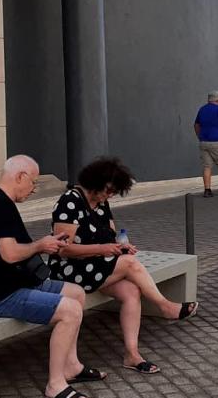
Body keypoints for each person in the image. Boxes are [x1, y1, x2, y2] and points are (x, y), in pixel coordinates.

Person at [0, 155, 101, 398]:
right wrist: (41, 245)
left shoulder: (2, 202)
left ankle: (71, 366)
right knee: (70, 311)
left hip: (17, 284)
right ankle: (55, 386)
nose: (34, 189)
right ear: (20, 177)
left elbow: (14, 250)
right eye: (34, 182)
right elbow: (10, 254)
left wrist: (46, 244)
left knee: (76, 293)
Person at [50, 157, 198, 375]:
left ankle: (132, 354)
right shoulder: (69, 201)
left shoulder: (101, 202)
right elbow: (62, 250)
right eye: (109, 190)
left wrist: (121, 246)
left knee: (131, 291)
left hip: (95, 266)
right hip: (69, 269)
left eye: (114, 192)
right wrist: (103, 249)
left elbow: (110, 235)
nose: (110, 195)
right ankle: (165, 306)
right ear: (95, 182)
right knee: (130, 264)